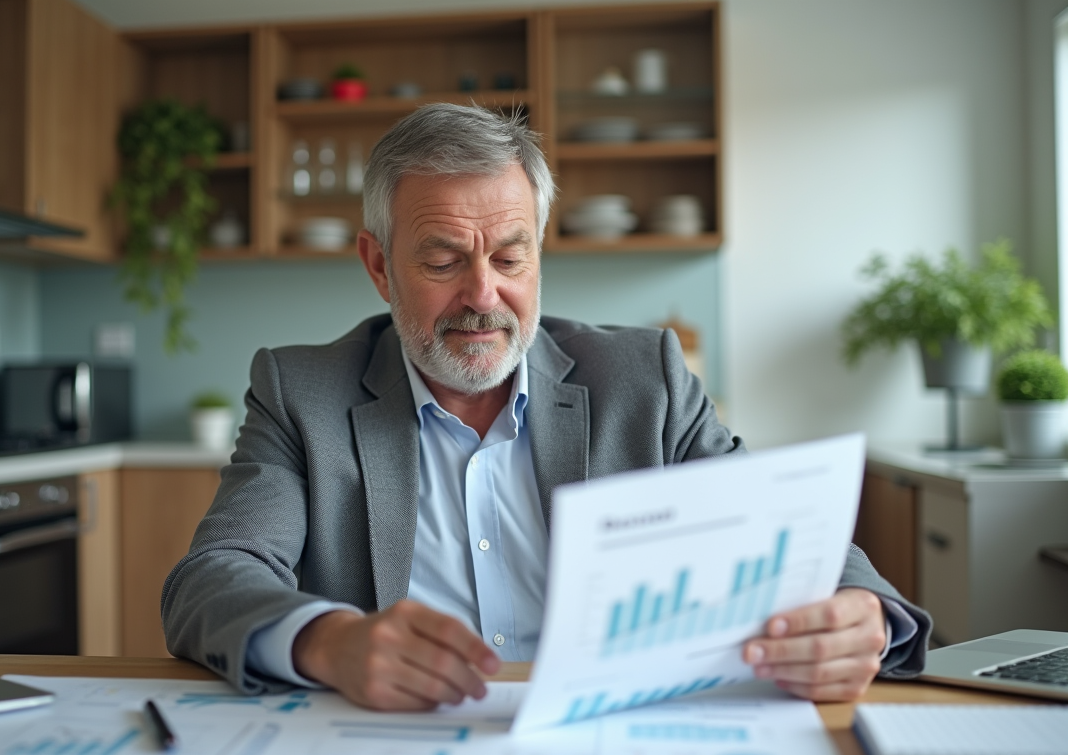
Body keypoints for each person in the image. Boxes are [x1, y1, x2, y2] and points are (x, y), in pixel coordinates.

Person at [162, 103, 931, 711]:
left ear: (539, 253)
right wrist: (329, 644)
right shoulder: (304, 393)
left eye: (509, 256)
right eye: (442, 259)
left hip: (619, 741)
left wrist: (860, 608)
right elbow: (211, 578)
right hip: (395, 751)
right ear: (379, 266)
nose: (482, 295)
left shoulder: (645, 379)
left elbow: (784, 534)